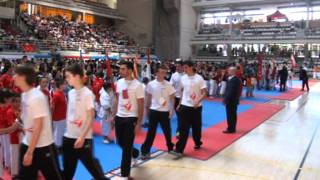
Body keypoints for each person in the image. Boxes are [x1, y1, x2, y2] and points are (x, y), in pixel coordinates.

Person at [13, 65, 63, 180]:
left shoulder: (36, 97)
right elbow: (27, 118)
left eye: (17, 74)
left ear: (24, 77)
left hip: (43, 146)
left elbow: (38, 126)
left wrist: (30, 152)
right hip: (28, 144)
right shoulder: (25, 95)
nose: (14, 77)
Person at [63, 64, 108, 180]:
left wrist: (82, 137)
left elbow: (91, 116)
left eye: (68, 76)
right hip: (69, 137)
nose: (66, 79)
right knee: (67, 172)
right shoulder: (70, 93)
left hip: (83, 139)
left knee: (94, 170)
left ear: (77, 76)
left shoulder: (87, 94)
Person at [113, 60, 144, 179]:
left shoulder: (138, 85)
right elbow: (117, 99)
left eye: (123, 69)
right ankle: (135, 152)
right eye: (120, 69)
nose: (120, 71)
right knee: (120, 142)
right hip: (119, 117)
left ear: (130, 70)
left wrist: (139, 123)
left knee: (126, 147)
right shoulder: (119, 82)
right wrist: (114, 115)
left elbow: (141, 104)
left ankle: (125, 174)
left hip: (131, 118)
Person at [173, 60, 207, 157]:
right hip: (184, 106)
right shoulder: (183, 78)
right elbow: (183, 92)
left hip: (196, 107)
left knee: (196, 127)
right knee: (184, 129)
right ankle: (179, 149)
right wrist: (179, 103)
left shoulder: (199, 78)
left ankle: (197, 142)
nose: (184, 69)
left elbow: (205, 92)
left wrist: (198, 101)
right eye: (183, 68)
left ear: (192, 67)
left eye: (186, 67)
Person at [141, 65, 175, 160]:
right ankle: (145, 151)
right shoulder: (151, 84)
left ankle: (170, 147)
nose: (163, 74)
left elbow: (172, 98)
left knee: (167, 132)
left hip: (165, 112)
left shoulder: (168, 84)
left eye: (165, 72)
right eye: (161, 72)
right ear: (156, 73)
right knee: (151, 132)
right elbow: (148, 98)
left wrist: (171, 110)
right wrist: (147, 110)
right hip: (154, 111)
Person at [223, 67, 241, 134]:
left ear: (233, 72)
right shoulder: (232, 79)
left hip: (232, 101)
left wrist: (226, 99)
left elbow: (231, 91)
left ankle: (231, 129)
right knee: (231, 115)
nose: (228, 72)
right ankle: (231, 128)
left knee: (231, 115)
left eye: (229, 71)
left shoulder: (234, 80)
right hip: (232, 100)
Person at [51, 78, 67, 150]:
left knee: (61, 132)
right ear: (60, 85)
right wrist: (51, 118)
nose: (66, 85)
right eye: (64, 84)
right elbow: (52, 107)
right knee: (58, 133)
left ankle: (59, 146)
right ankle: (57, 147)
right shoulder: (56, 95)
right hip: (57, 118)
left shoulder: (62, 93)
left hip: (63, 117)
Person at [169, 61, 183, 138]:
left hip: (184, 99)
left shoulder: (186, 75)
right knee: (179, 115)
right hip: (176, 98)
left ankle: (180, 130)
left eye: (178, 66)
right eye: (176, 66)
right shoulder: (174, 75)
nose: (177, 68)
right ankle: (179, 131)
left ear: (182, 67)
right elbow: (170, 86)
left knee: (182, 116)